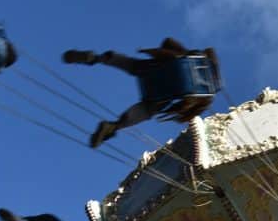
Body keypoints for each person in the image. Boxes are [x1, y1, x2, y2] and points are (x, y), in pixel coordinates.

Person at [62, 38, 218, 148]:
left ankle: (96, 58)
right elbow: (182, 115)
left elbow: (167, 42)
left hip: (154, 69)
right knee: (147, 110)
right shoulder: (206, 97)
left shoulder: (198, 56)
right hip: (161, 93)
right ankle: (113, 126)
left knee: (131, 64)